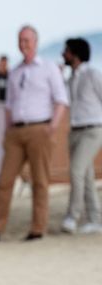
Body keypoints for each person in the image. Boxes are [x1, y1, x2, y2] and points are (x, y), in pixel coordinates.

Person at [0, 26, 68, 242]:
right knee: (4, 181)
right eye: (20, 40)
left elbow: (61, 100)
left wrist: (52, 127)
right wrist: (8, 130)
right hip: (16, 132)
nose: (23, 44)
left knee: (40, 181)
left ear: (35, 42)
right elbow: (9, 104)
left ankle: (37, 229)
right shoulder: (15, 71)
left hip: (40, 128)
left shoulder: (48, 68)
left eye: (27, 40)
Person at [60, 38, 102, 234]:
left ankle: (72, 217)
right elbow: (64, 101)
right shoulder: (70, 79)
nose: (63, 54)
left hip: (93, 130)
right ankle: (95, 219)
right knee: (86, 175)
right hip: (75, 130)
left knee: (76, 171)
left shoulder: (93, 74)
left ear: (75, 54)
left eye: (66, 51)